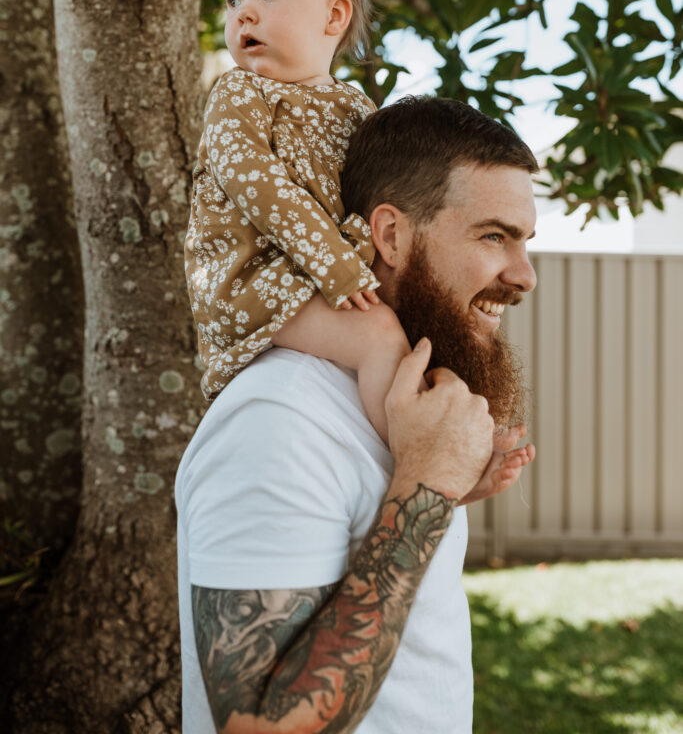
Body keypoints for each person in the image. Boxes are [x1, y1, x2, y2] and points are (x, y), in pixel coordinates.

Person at [176, 94, 539, 734]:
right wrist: (426, 490)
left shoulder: (399, 404)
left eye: (524, 242)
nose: (524, 274)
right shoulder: (277, 421)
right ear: (391, 235)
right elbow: (259, 725)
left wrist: (443, 486)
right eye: (493, 236)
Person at [185, 0, 413, 443]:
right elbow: (255, 182)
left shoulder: (357, 109)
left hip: (325, 273)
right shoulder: (241, 91)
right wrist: (335, 262)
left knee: (425, 320)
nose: (244, 14)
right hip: (254, 280)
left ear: (334, 15)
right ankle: (414, 461)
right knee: (380, 336)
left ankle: (458, 433)